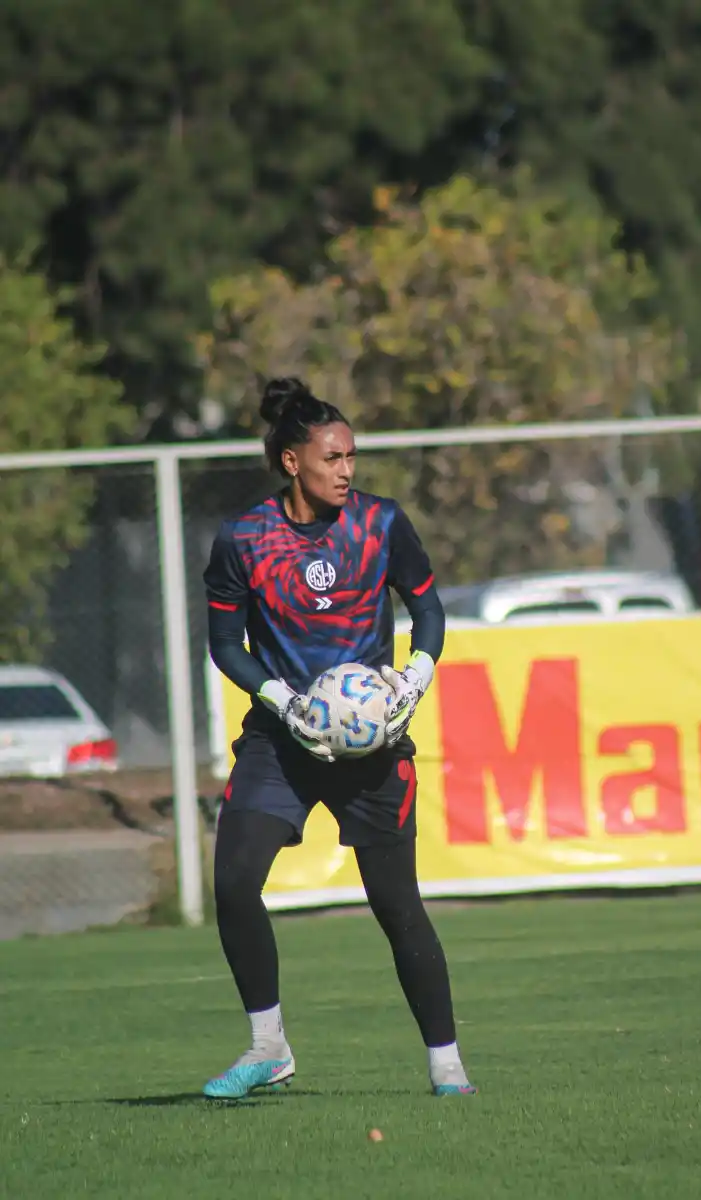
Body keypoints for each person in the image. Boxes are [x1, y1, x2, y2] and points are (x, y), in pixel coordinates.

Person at [202, 377, 476, 1100]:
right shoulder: (243, 539)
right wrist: (285, 701)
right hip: (280, 743)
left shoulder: (381, 523)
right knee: (233, 882)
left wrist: (414, 677)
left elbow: (428, 610)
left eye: (352, 456)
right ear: (292, 462)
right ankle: (268, 1047)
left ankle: (447, 1066)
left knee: (397, 906)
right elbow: (226, 645)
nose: (347, 470)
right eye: (333, 458)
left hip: (373, 752)